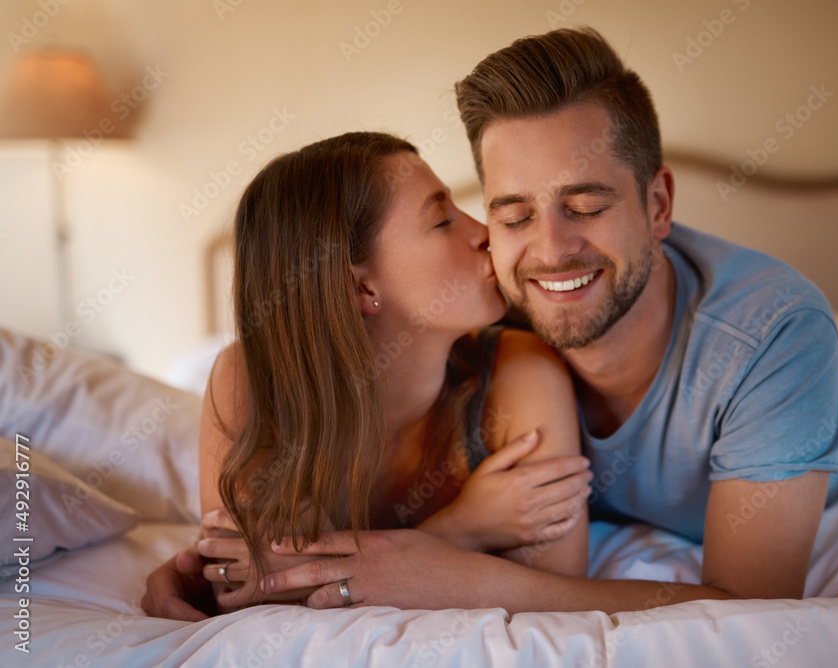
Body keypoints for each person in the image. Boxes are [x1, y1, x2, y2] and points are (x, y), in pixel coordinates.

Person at [147, 26, 838, 617]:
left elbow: (752, 611)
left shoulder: (774, 337)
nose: (546, 249)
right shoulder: (489, 294)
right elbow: (245, 574)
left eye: (586, 206)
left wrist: (441, 570)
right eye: (511, 212)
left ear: (657, 206)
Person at [141, 132, 592, 619]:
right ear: (360, 285)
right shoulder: (247, 383)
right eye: (442, 220)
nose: (485, 231)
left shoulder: (523, 371)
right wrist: (458, 530)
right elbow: (252, 591)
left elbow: (556, 595)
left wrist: (339, 561)